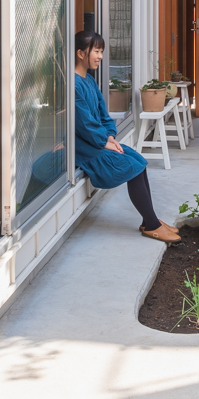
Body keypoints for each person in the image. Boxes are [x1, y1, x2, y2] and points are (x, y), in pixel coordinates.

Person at [73, 30, 180, 242]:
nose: (100, 56)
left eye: (101, 51)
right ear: (80, 53)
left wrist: (110, 136)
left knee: (138, 160)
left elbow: (103, 115)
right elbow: (84, 123)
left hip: (97, 141)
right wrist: (104, 142)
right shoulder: (74, 84)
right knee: (132, 167)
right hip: (83, 146)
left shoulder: (90, 81)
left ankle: (150, 220)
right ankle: (151, 224)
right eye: (96, 51)